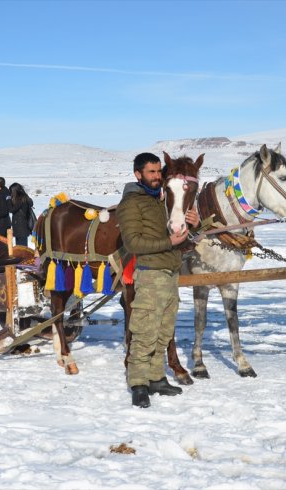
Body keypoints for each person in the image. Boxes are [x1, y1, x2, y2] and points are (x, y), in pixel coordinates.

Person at [116, 152, 200, 408]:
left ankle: (156, 377)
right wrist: (168, 242)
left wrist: (194, 226)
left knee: (163, 331)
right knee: (144, 332)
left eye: (158, 172)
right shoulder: (132, 203)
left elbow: (179, 231)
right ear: (138, 174)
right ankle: (138, 383)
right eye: (150, 172)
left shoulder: (160, 200)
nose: (156, 176)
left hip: (170, 272)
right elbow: (133, 242)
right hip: (150, 273)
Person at [9, 182, 34, 246]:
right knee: (22, 246)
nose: (10, 193)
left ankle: (22, 256)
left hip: (20, 227)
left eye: (11, 191)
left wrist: (8, 200)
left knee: (21, 248)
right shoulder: (24, 198)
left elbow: (12, 210)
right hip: (22, 226)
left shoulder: (20, 199)